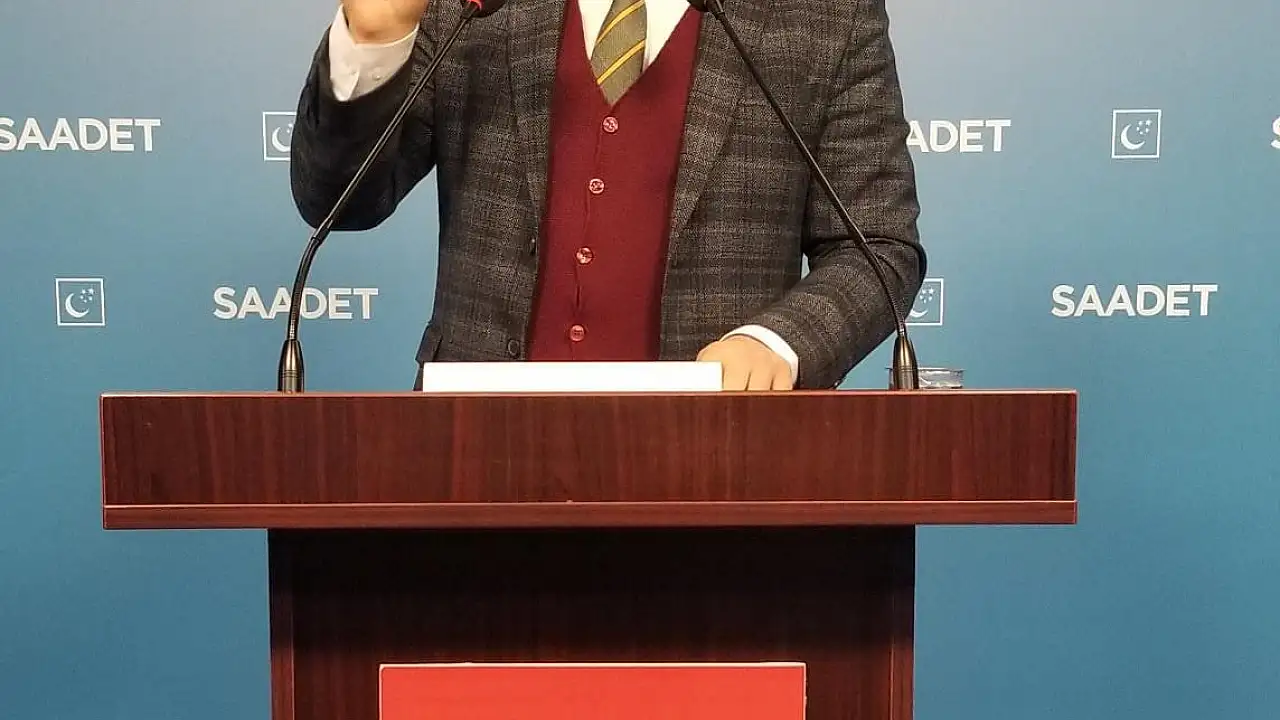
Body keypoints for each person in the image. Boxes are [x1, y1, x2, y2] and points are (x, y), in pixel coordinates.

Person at [289, 0, 924, 390]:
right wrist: (376, 40)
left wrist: (777, 342)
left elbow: (876, 246)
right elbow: (339, 199)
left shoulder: (827, 14)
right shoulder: (471, 4)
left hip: (724, 466)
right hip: (475, 457)